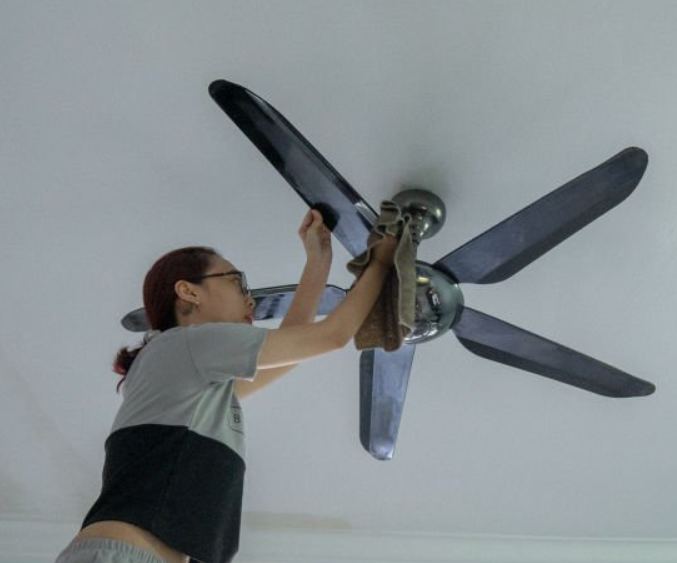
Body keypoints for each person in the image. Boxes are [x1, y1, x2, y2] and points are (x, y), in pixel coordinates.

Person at [54, 209, 398, 563]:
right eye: (237, 282)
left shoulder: (188, 374)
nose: (250, 300)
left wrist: (318, 262)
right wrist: (382, 264)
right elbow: (330, 336)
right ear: (188, 292)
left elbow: (294, 350)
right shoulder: (185, 345)